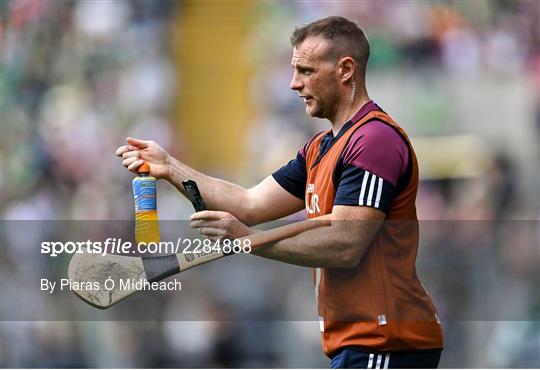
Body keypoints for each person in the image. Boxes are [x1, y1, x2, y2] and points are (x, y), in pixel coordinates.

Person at [116, 16, 443, 369]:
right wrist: (170, 168)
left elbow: (347, 242)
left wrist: (248, 241)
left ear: (345, 69)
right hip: (360, 344)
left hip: (388, 341)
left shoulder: (373, 140)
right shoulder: (318, 150)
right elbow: (249, 204)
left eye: (305, 71)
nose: (293, 83)